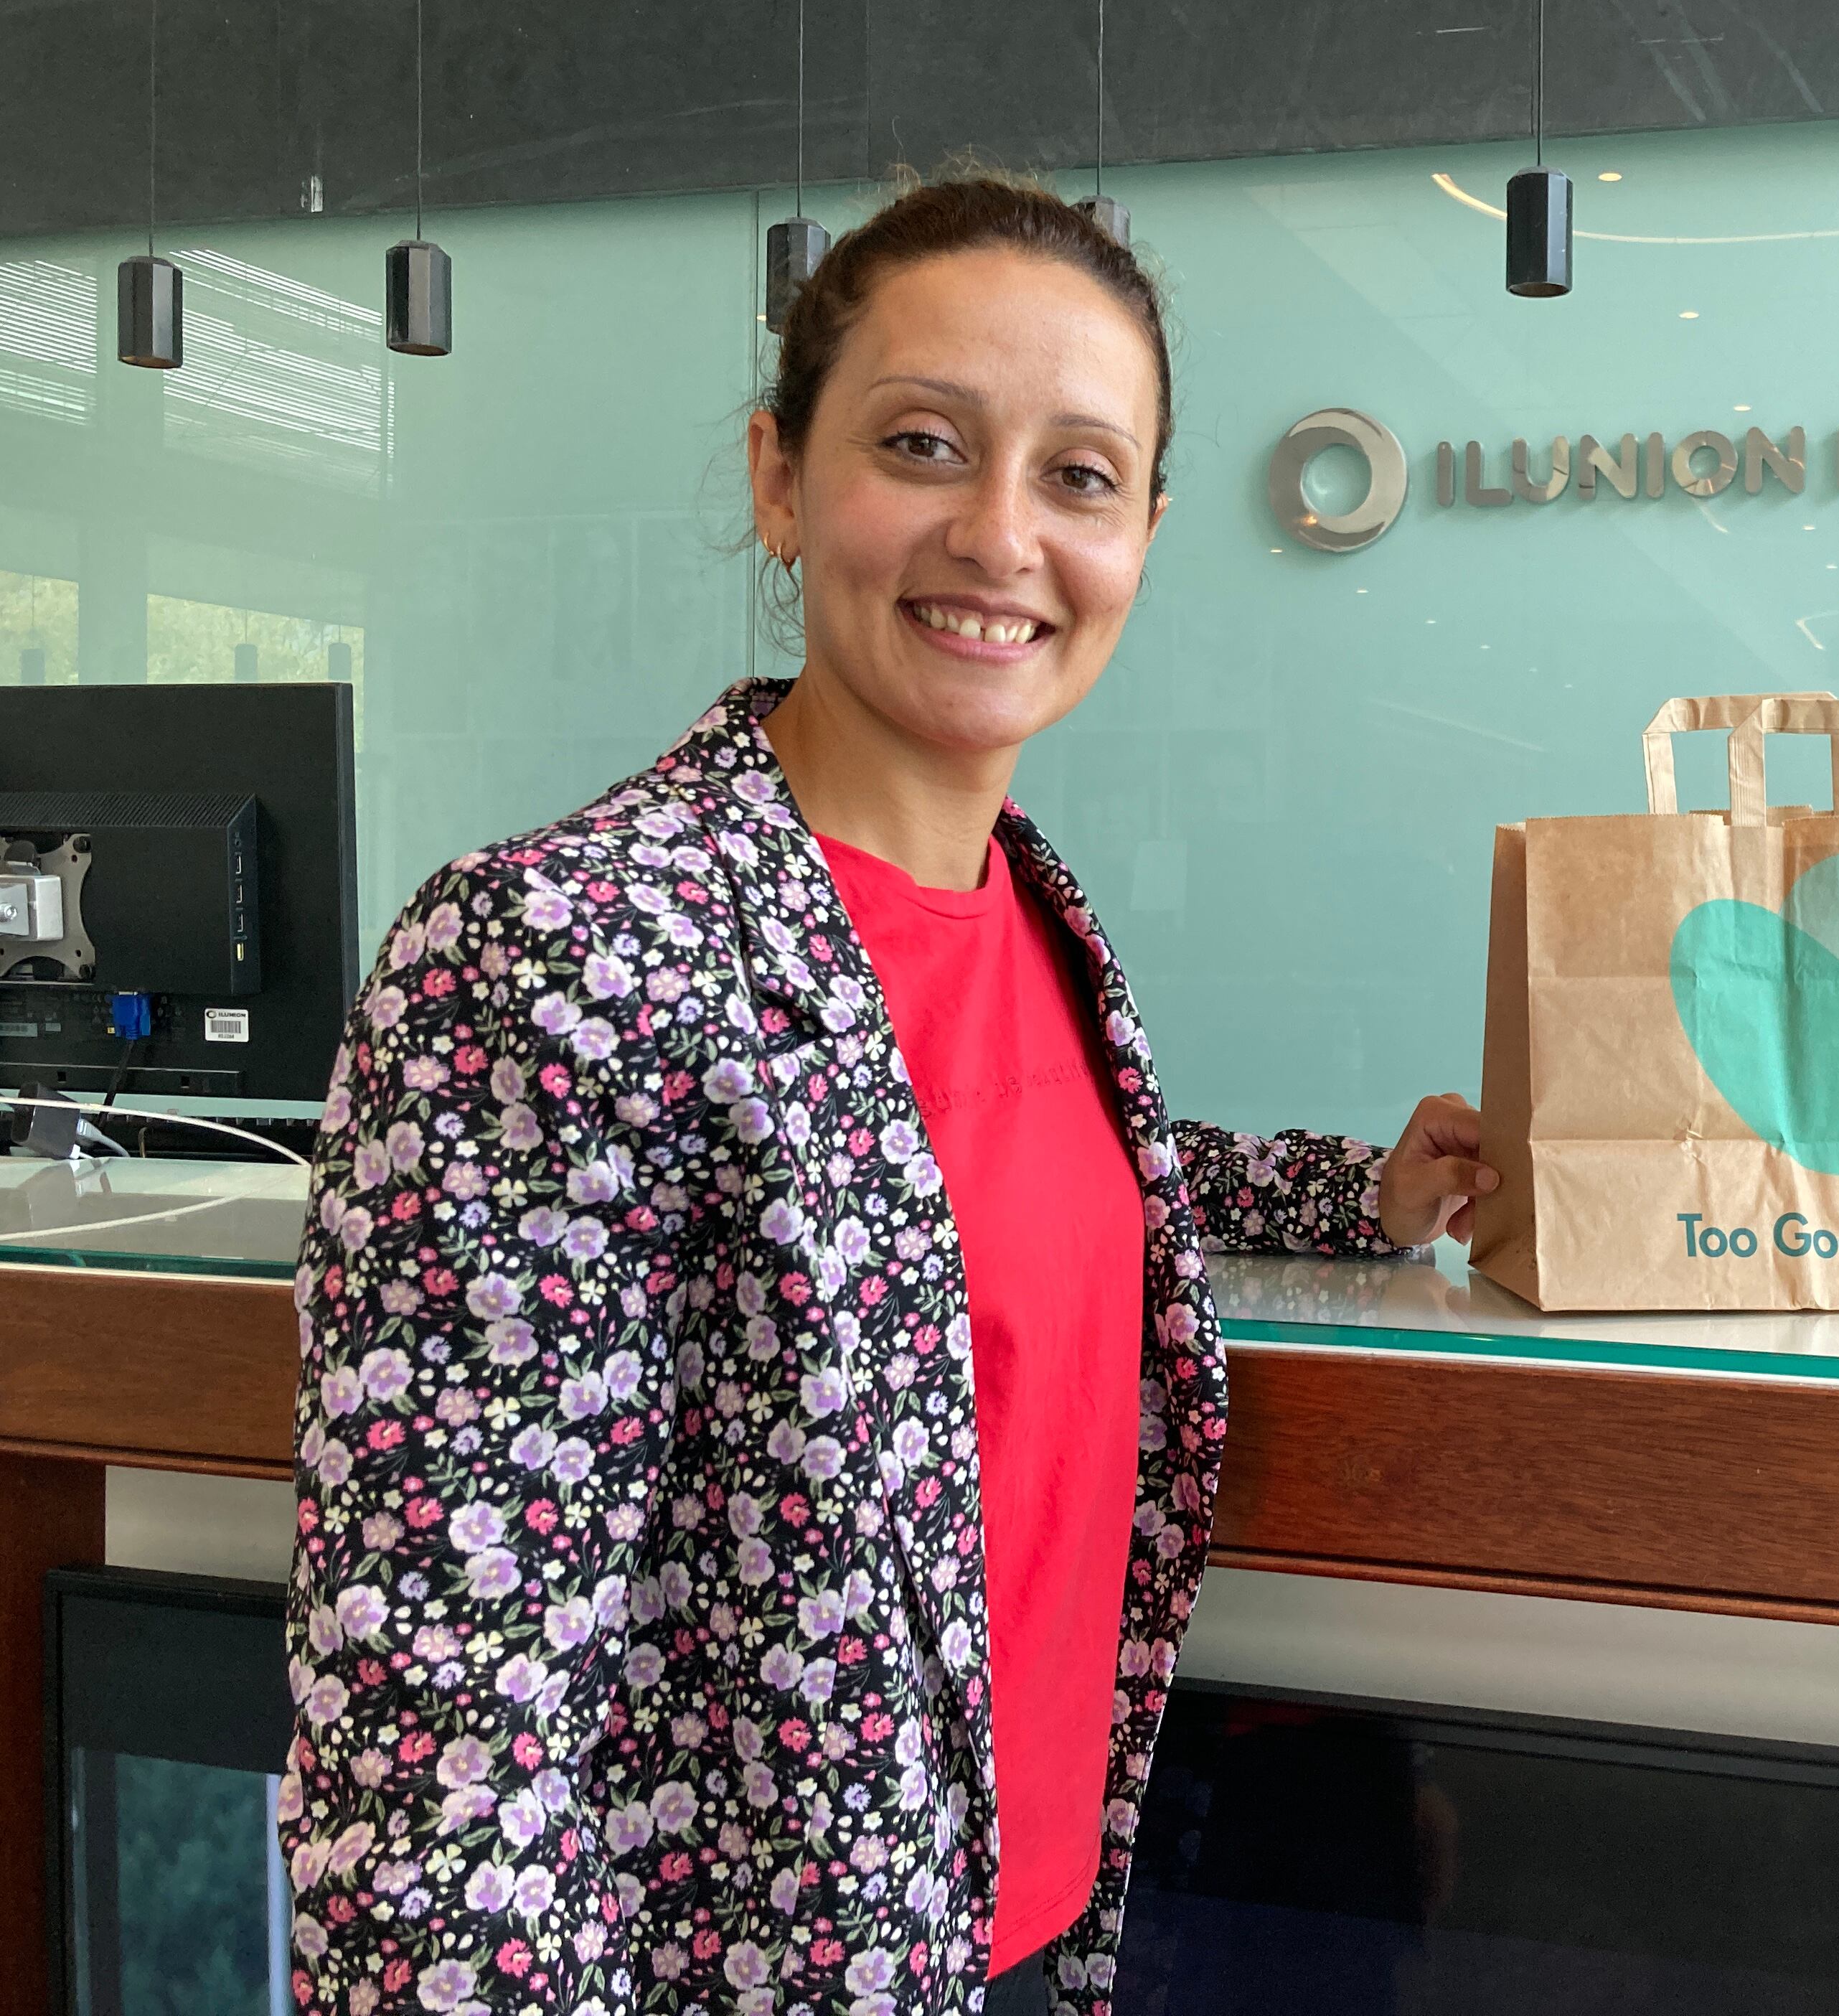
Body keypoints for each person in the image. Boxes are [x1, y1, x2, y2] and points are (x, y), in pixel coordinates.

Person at [278, 176, 1497, 2016]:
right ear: (780, 479)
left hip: (1024, 1934)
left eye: (1081, 478)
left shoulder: (1036, 909)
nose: (1000, 535)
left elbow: (997, 1175)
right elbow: (441, 1753)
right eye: (924, 444)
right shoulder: (554, 951)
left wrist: (1355, 1197)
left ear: (1146, 537)